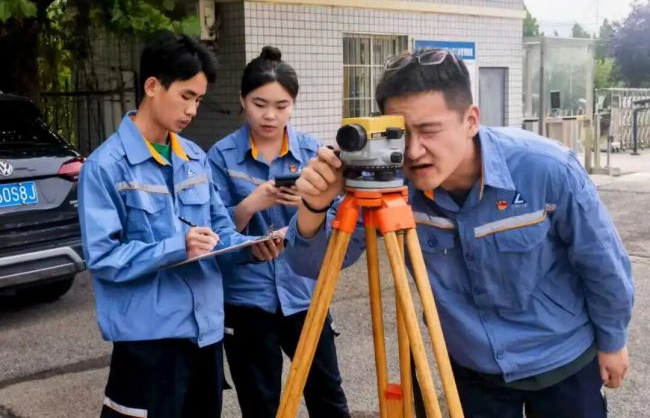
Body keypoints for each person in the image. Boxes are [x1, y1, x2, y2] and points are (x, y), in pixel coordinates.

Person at [282, 49, 634, 418]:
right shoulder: (388, 181)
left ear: (470, 120)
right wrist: (315, 207)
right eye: (401, 134)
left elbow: (602, 262)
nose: (414, 151)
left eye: (429, 130)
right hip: (469, 369)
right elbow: (311, 266)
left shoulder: (547, 168)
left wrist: (613, 341)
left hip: (563, 360)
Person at [78, 32, 280, 418]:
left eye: (198, 100)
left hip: (205, 335)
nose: (192, 110)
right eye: (186, 96)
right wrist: (177, 246)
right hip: (148, 342)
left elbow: (220, 231)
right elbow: (103, 258)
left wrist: (250, 249)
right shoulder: (106, 167)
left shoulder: (194, 157)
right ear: (152, 86)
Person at [207, 46, 350, 418]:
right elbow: (213, 231)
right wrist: (252, 203)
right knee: (260, 404)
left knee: (328, 398)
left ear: (292, 106)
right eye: (259, 104)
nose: (270, 115)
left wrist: (310, 207)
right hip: (246, 301)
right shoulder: (220, 156)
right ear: (243, 100)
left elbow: (339, 217)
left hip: (304, 294)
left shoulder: (313, 154)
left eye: (281, 105)